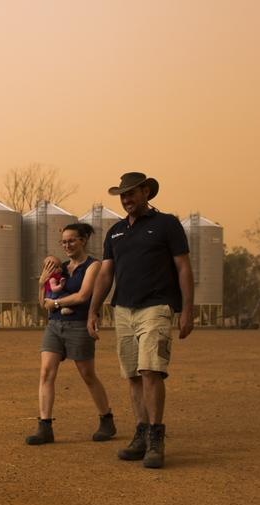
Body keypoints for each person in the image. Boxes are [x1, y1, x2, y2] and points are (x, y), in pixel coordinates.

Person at [87, 172, 194, 469]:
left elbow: (183, 268)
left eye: (131, 193)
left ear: (146, 192)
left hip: (156, 307)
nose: (126, 199)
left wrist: (187, 310)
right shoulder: (116, 232)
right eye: (122, 195)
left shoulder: (167, 225)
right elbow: (106, 274)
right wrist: (93, 310)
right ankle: (141, 433)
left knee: (151, 370)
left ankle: (156, 438)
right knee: (133, 375)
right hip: (123, 310)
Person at [26, 223, 116, 445]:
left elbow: (83, 296)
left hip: (78, 325)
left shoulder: (93, 265)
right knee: (46, 372)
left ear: (83, 240)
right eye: (63, 242)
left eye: (72, 240)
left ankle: (107, 420)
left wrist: (55, 302)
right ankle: (45, 426)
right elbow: (42, 303)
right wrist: (40, 283)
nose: (67, 245)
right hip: (55, 326)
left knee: (87, 375)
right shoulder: (61, 268)